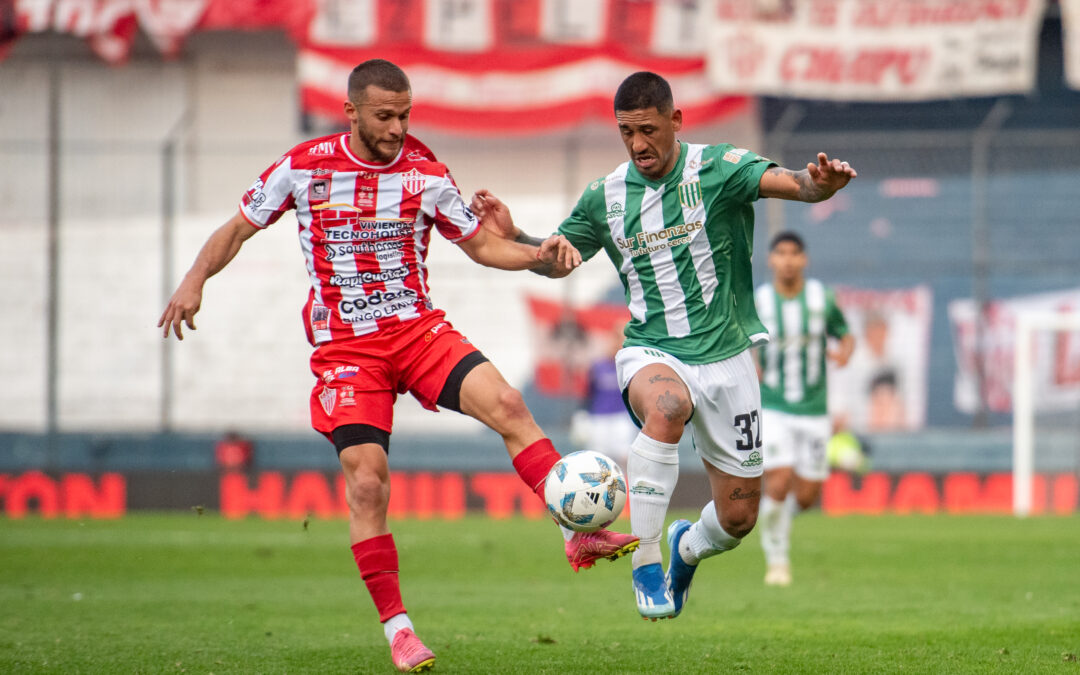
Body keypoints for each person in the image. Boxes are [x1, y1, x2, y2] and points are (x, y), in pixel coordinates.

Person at [158, 59, 638, 673]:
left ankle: (576, 529)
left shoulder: (425, 172)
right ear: (351, 112)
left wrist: (533, 251)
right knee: (367, 482)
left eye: (405, 114)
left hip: (415, 330)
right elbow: (236, 230)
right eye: (385, 116)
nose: (397, 127)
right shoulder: (303, 167)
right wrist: (195, 281)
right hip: (348, 349)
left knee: (511, 406)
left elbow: (482, 245)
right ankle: (400, 629)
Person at [471, 71, 856, 620]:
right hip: (652, 350)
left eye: (648, 130)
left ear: (676, 121)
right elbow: (557, 257)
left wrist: (822, 184)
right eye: (627, 132)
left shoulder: (719, 169)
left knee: (738, 520)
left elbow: (797, 184)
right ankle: (646, 561)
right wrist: (518, 238)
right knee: (668, 407)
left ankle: (684, 547)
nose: (638, 144)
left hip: (727, 358)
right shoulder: (605, 196)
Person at [754, 231, 855, 587]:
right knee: (779, 481)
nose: (787, 260)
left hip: (814, 409)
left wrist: (844, 352)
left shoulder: (821, 300)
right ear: (771, 260)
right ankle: (776, 557)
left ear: (804, 259)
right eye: (780, 253)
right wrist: (749, 362)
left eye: (794, 253)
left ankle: (777, 523)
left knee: (808, 495)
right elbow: (741, 340)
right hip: (774, 405)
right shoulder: (760, 302)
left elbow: (845, 334)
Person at [572, 321, 638, 469]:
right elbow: (588, 394)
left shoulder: (629, 367)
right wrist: (582, 416)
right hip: (599, 419)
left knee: (625, 458)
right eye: (615, 338)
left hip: (622, 418)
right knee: (598, 462)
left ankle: (626, 490)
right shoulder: (597, 366)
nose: (616, 343)